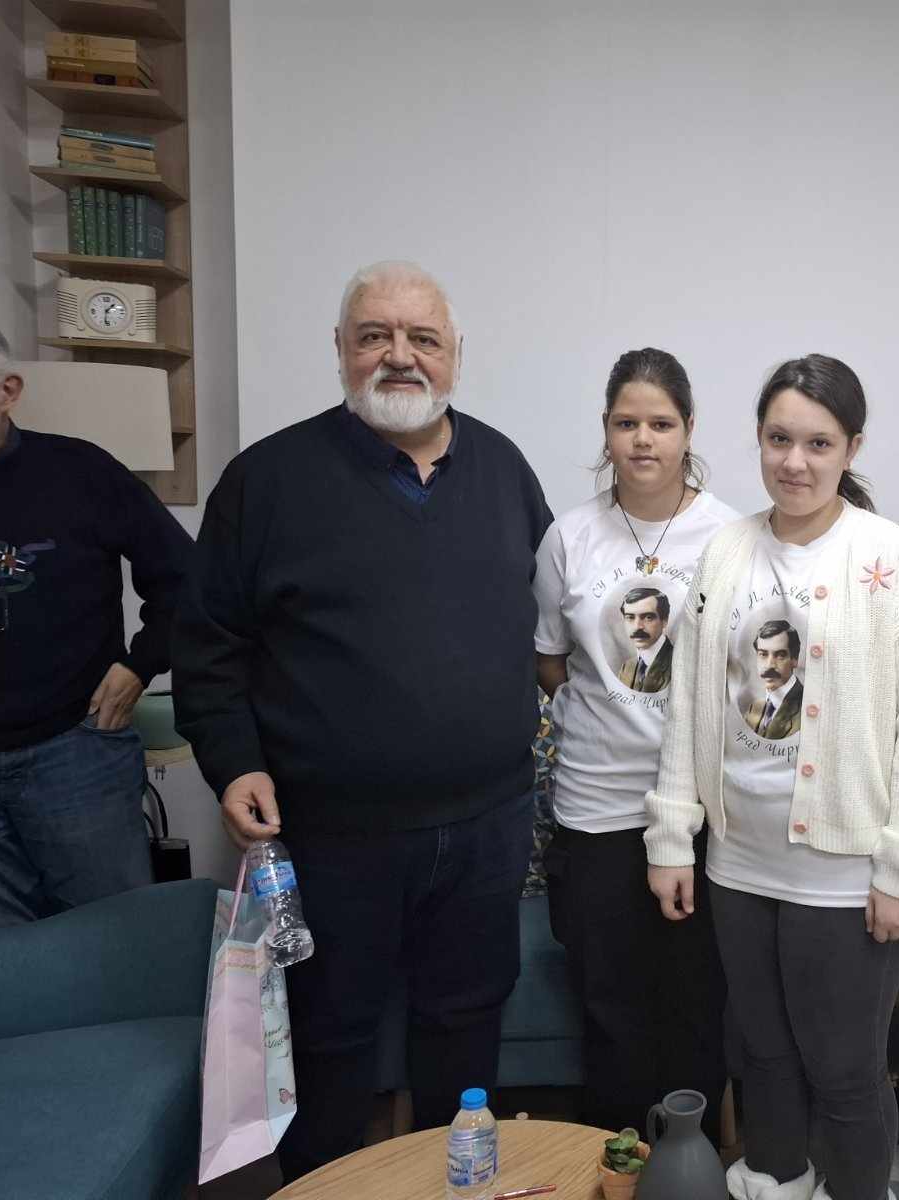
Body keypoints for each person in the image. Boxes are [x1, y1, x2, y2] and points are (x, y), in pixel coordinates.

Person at [173, 261, 553, 1181]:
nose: (399, 356)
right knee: (331, 1037)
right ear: (340, 349)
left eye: (423, 338)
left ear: (455, 354)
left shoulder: (503, 468)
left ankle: (455, 1185)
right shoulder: (265, 481)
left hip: (487, 827)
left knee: (466, 1028)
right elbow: (208, 644)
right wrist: (234, 762)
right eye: (374, 335)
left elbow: (551, 618)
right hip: (332, 837)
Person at [644, 354, 899, 1200]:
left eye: (819, 443)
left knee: (844, 1066)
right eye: (778, 439)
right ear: (757, 438)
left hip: (845, 871)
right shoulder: (726, 552)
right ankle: (776, 1179)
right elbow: (687, 701)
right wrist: (671, 835)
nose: (795, 462)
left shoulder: (889, 558)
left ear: (852, 447)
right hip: (739, 861)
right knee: (760, 1050)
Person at [533, 346, 737, 1139]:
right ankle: (613, 1160)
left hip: (699, 811)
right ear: (606, 430)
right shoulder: (569, 537)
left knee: (695, 1000)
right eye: (626, 424)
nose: (643, 440)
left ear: (689, 430)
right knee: (609, 1002)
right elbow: (552, 660)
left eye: (660, 423)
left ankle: (689, 1166)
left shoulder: (730, 536)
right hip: (595, 807)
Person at [0, 312, 191, 928]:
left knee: (115, 940)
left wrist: (142, 664)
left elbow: (187, 578)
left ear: (8, 391)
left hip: (72, 752)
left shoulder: (81, 472)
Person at [743, 619, 804, 737]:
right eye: (763, 654)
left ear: (794, 659)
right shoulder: (755, 708)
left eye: (780, 655)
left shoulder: (805, 708)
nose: (769, 665)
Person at [617, 586, 673, 693]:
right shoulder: (627, 667)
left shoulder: (677, 664)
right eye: (630, 617)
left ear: (664, 621)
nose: (637, 626)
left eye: (648, 617)